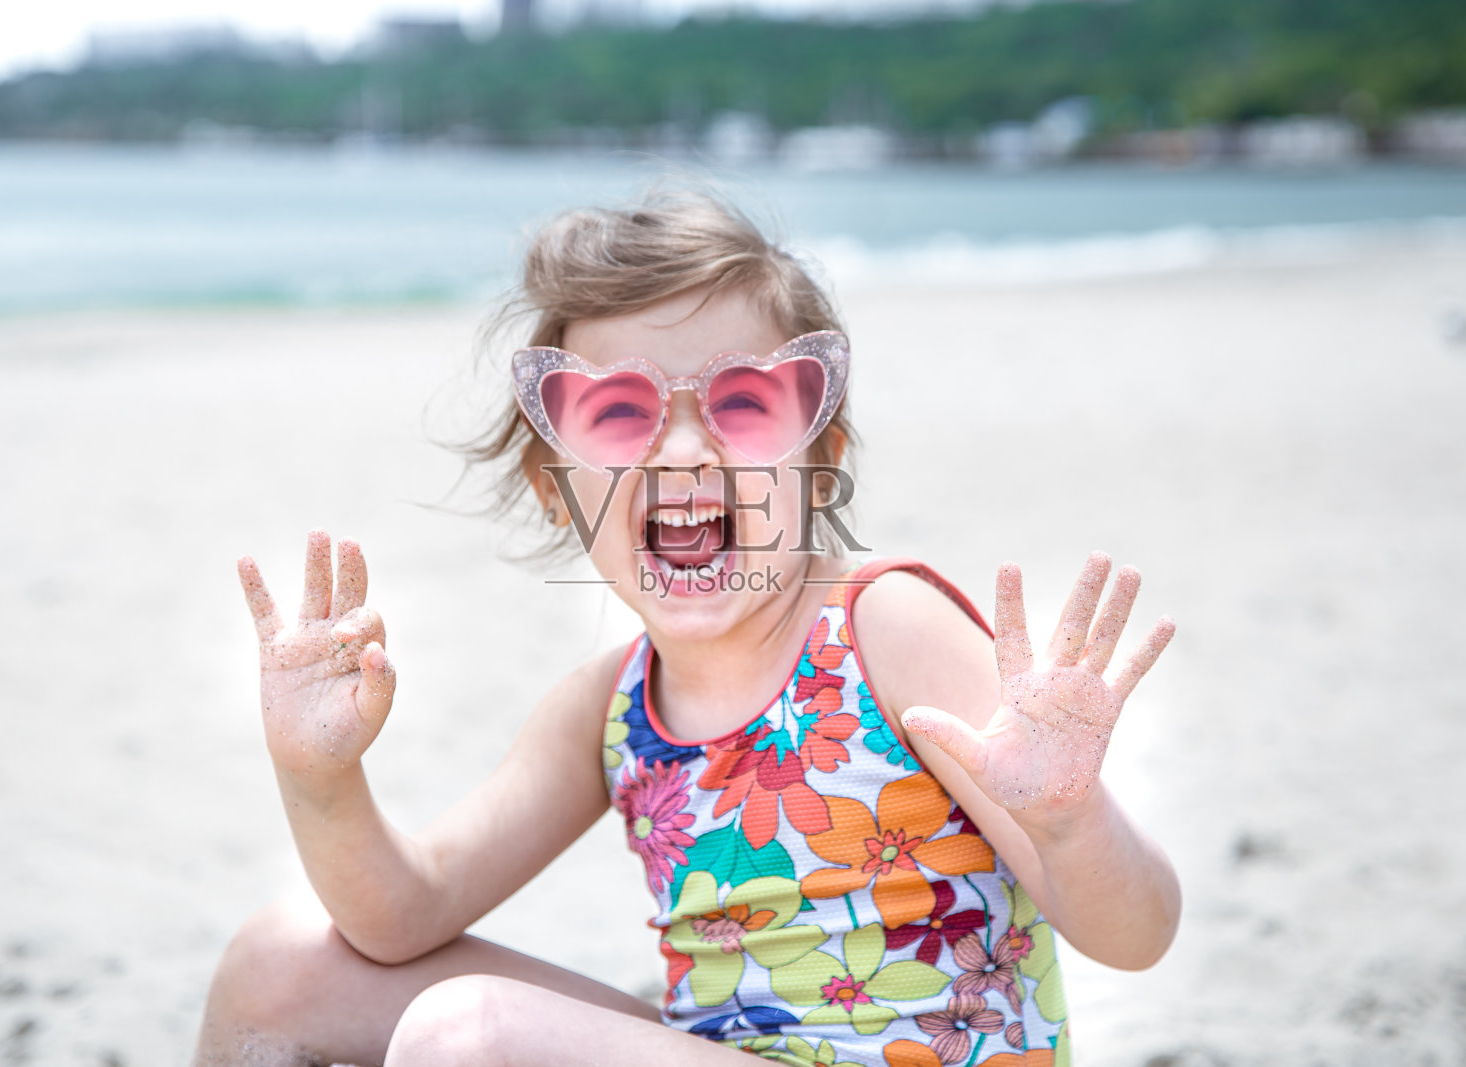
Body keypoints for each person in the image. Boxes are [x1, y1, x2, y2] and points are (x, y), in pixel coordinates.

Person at [195, 190, 1180, 1067]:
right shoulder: (607, 708)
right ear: (554, 490)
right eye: (617, 414)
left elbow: (1135, 933)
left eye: (743, 405)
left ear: (817, 456)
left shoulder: (885, 627)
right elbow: (403, 913)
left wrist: (1066, 816)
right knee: (278, 964)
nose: (680, 446)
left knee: (469, 1038)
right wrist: (320, 774)